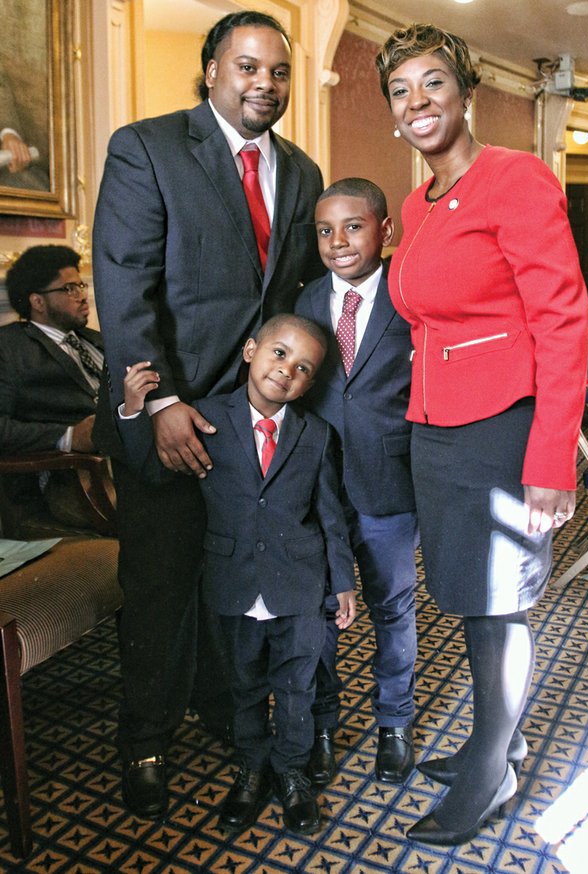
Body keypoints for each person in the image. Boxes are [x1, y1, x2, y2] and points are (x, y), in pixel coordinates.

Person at [92, 10, 324, 820]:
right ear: (211, 70)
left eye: (279, 72)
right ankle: (147, 741)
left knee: (239, 578)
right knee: (158, 587)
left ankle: (231, 714)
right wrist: (159, 401)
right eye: (248, 67)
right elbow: (125, 290)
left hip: (253, 423)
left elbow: (292, 301)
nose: (265, 84)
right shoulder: (147, 147)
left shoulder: (302, 172)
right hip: (166, 412)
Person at [375, 23, 588, 845]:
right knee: (470, 599)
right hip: (436, 430)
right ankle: (492, 740)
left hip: (503, 431)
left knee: (499, 608)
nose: (418, 102)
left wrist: (551, 461)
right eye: (401, 90)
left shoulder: (516, 179)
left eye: (434, 84)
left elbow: (564, 322)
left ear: (466, 94)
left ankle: (491, 773)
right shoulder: (415, 203)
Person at [119, 314, 357, 835]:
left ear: (310, 383)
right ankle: (252, 770)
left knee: (296, 689)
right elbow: (154, 469)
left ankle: (291, 772)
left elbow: (330, 515)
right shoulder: (205, 418)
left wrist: (341, 582)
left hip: (299, 585)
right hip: (233, 582)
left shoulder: (316, 435)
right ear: (250, 350)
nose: (285, 371)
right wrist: (137, 413)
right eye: (278, 354)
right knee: (244, 687)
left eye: (302, 368)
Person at [295, 178, 418, 786]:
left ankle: (394, 720)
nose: (338, 241)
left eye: (353, 227)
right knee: (319, 612)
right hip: (317, 490)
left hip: (388, 482)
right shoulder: (303, 301)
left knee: (391, 607)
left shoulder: (409, 293)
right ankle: (321, 724)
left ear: (384, 230)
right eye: (325, 230)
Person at [0, 245, 103, 526]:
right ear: (38, 301)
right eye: (69, 289)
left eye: (80, 285)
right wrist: (68, 436)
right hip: (75, 481)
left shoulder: (94, 340)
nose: (83, 296)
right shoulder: (10, 348)